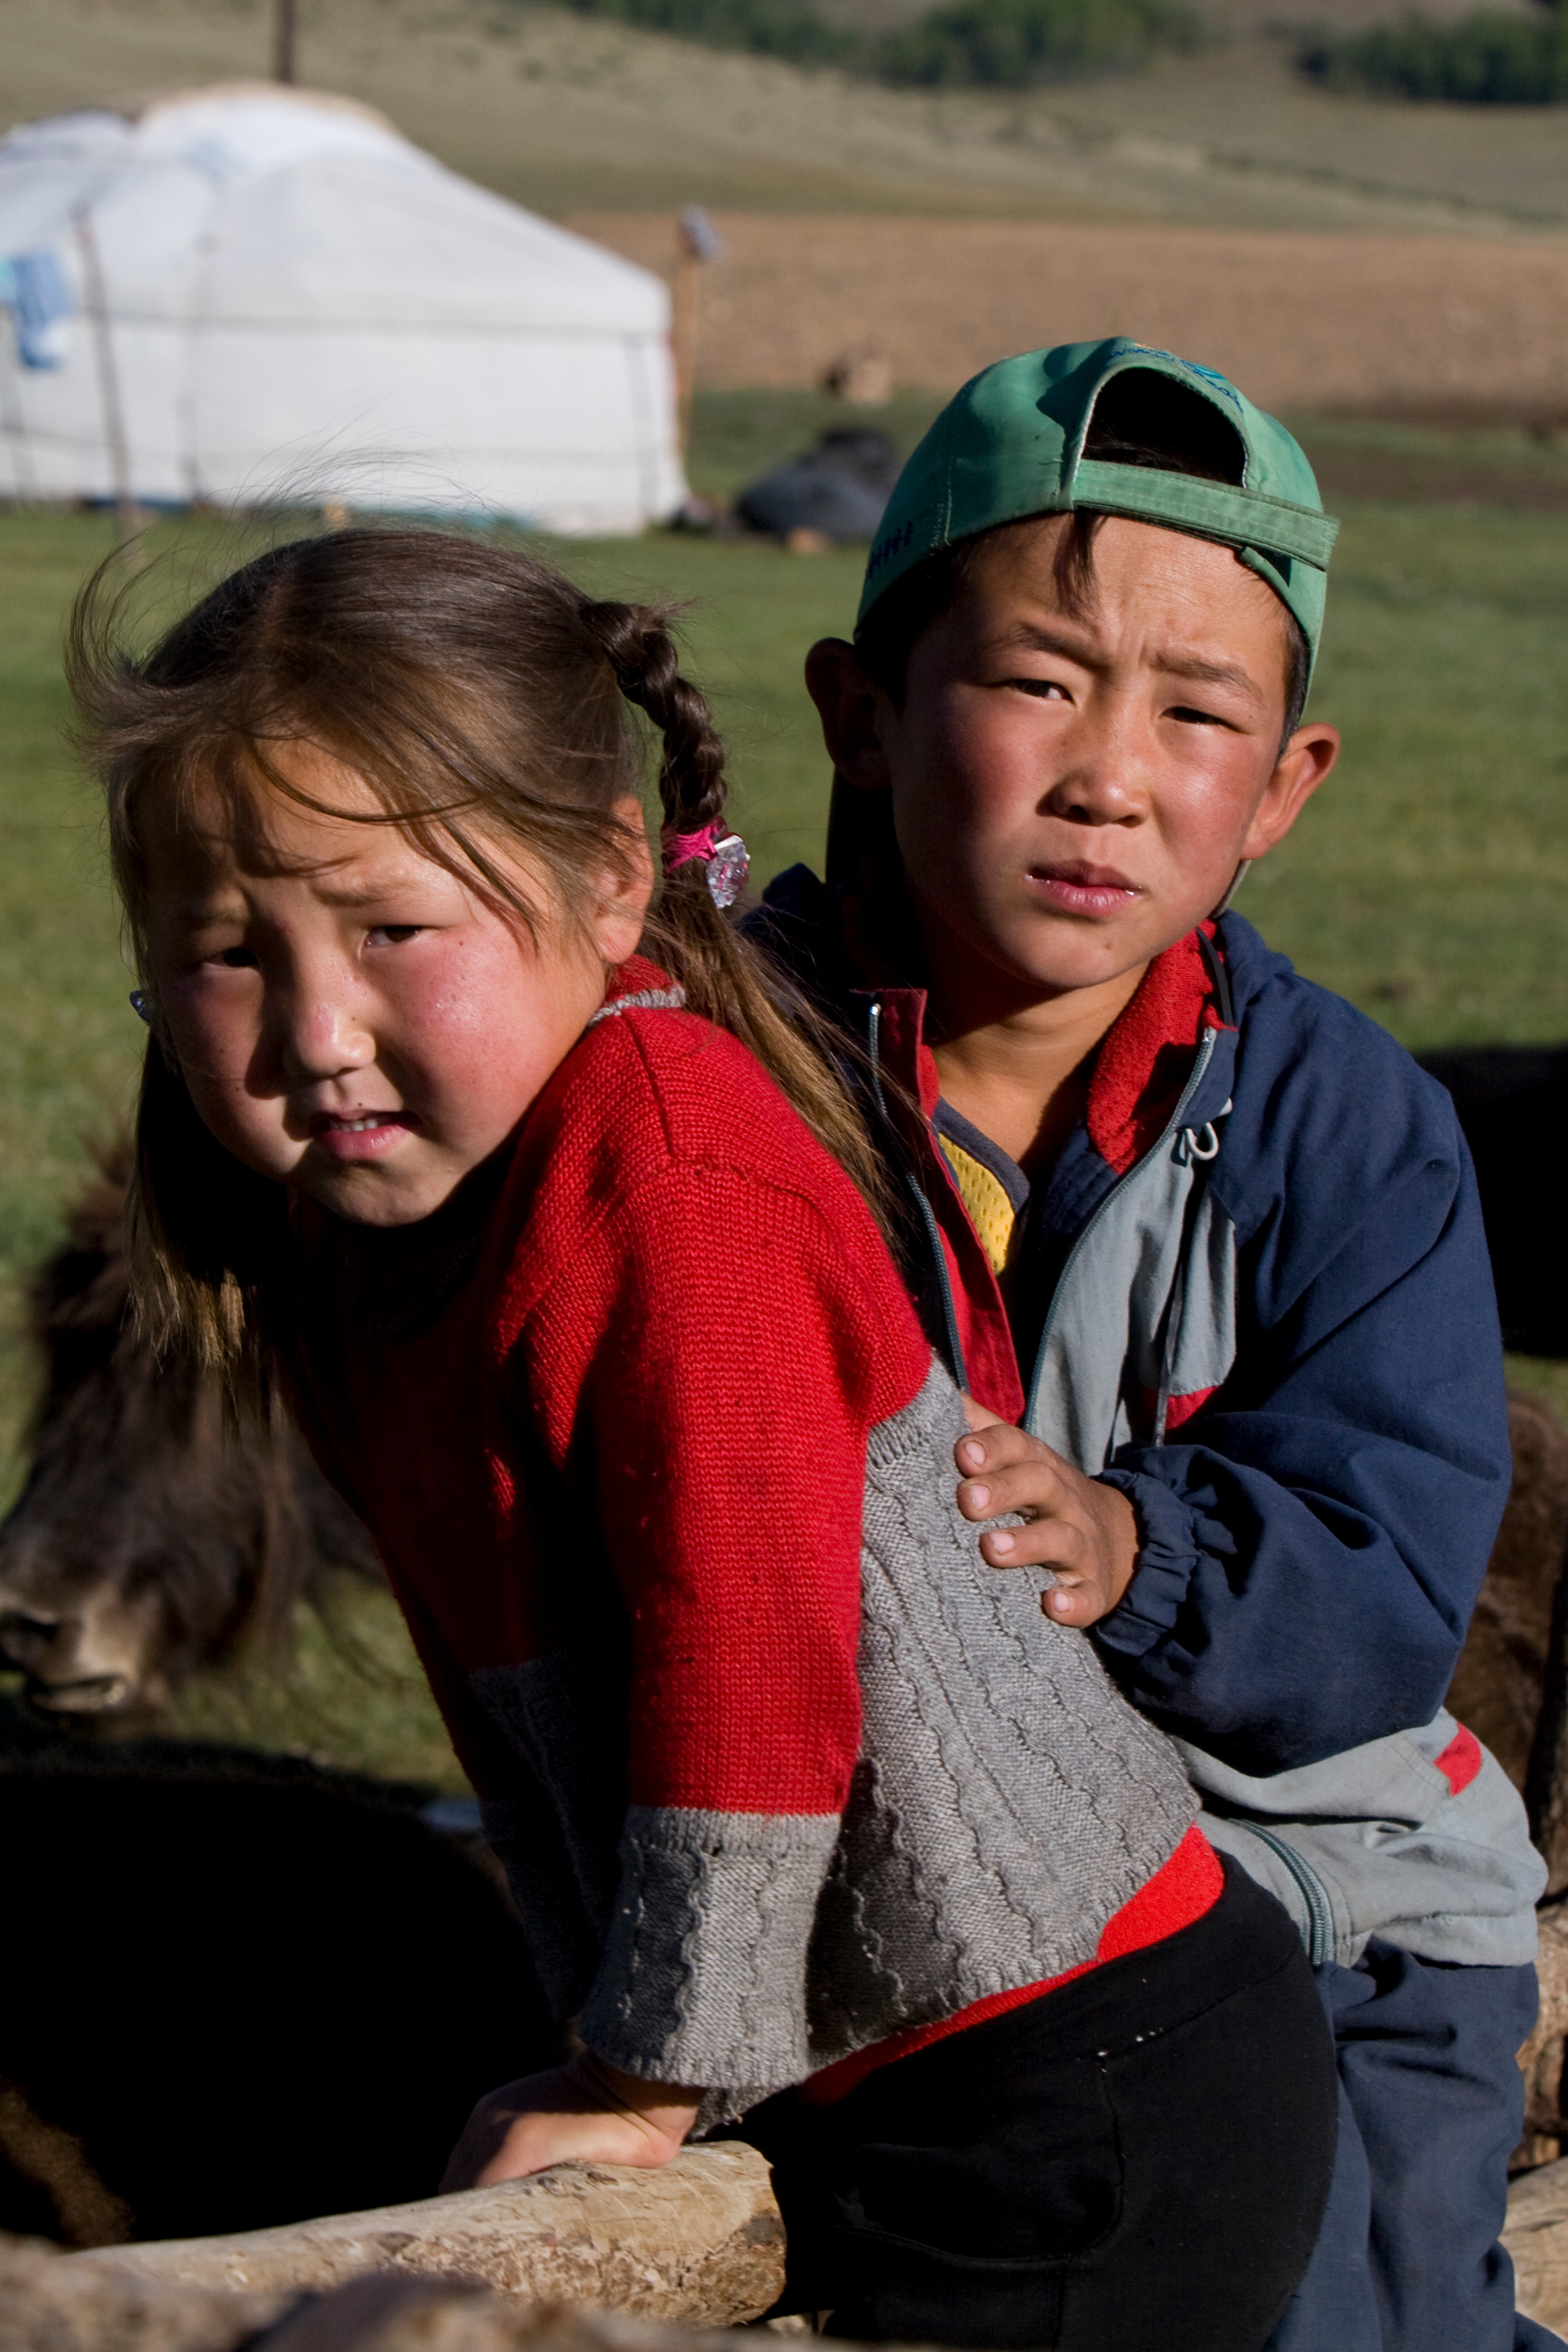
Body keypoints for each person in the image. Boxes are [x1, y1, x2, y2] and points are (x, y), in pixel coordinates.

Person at [70, 528, 1336, 2352]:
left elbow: (751, 1661)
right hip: (876, 2073)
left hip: (1085, 2082)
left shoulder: (658, 1156)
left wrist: (644, 2071)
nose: (317, 1031)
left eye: (393, 929)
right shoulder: (358, 1255)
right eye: (222, 952)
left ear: (604, 880)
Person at [751, 337, 1553, 2352]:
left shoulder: (1345, 1130)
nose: (1111, 771)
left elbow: (1382, 1585)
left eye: (1199, 713)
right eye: (1037, 680)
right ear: (864, 713)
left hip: (1325, 1906)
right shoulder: (719, 1100)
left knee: (1347, 2322)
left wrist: (1134, 1550)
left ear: (1283, 789)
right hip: (908, 1922)